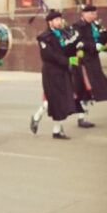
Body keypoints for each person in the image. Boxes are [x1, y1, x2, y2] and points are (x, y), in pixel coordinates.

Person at [70, 4, 107, 125]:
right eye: (91, 13)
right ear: (84, 14)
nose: (94, 16)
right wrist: (93, 46)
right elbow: (78, 42)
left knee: (88, 90)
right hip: (83, 62)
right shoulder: (77, 26)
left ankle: (82, 117)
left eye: (95, 13)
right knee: (84, 88)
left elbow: (103, 37)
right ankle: (81, 117)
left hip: (93, 61)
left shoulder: (95, 26)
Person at [34, 10, 77, 139]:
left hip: (63, 71)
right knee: (56, 100)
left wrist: (75, 46)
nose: (59, 22)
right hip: (51, 72)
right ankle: (40, 119)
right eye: (57, 20)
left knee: (63, 100)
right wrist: (67, 60)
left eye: (60, 19)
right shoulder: (44, 37)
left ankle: (57, 130)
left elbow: (67, 50)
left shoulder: (63, 34)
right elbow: (49, 56)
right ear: (50, 22)